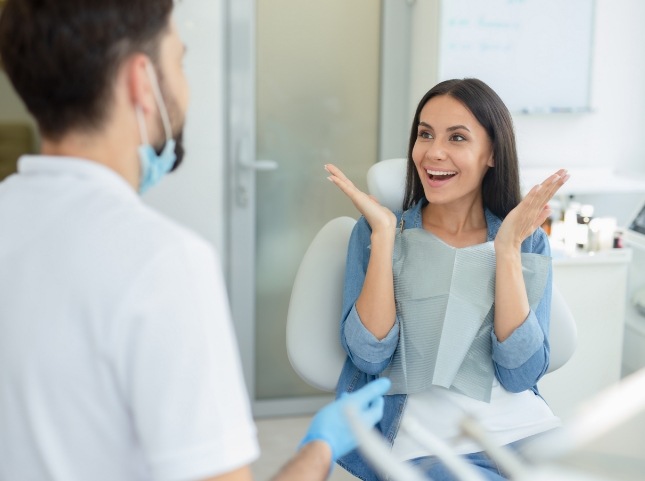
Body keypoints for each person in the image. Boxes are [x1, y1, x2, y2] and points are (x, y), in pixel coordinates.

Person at [0, 1, 391, 480]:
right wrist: (320, 450)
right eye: (179, 60)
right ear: (141, 82)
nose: (185, 86)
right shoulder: (162, 263)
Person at [325, 78, 570, 481]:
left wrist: (507, 250)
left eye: (457, 137)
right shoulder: (376, 233)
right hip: (426, 443)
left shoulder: (527, 241)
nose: (433, 152)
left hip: (524, 433)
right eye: (425, 134)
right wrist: (386, 238)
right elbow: (369, 356)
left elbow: (520, 374)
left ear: (491, 152)